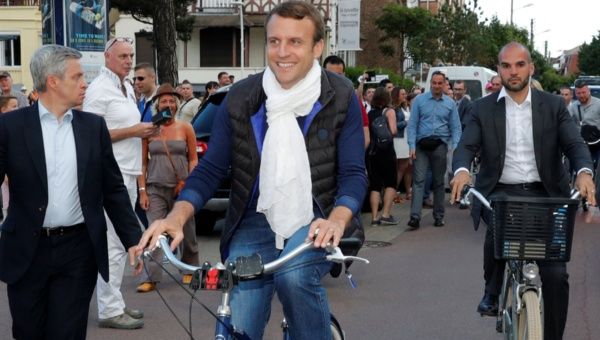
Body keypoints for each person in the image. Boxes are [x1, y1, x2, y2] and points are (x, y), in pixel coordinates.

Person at [136, 2, 367, 339]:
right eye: (274, 41)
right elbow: (211, 168)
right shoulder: (243, 96)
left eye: (295, 42)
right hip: (253, 219)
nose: (282, 52)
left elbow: (353, 174)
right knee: (238, 323)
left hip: (316, 217)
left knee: (294, 277)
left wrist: (338, 218)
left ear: (318, 47)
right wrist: (176, 216)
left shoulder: (341, 94)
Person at [450, 42, 597, 340]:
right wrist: (462, 170)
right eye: (506, 65)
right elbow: (466, 146)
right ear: (499, 69)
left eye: (519, 65)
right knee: (497, 234)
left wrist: (584, 172)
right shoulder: (482, 108)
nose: (513, 71)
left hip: (548, 196)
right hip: (501, 193)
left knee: (556, 275)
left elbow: (575, 145)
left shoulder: (554, 106)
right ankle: (492, 290)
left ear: (531, 68)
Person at [0, 44, 143, 340]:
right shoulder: (10, 127)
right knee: (28, 332)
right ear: (53, 81)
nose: (84, 84)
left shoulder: (93, 127)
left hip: (78, 250)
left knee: (67, 333)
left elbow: (113, 189)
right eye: (77, 76)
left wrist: (133, 240)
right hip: (27, 249)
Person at [84, 37, 158, 329]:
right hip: (109, 176)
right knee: (114, 245)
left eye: (131, 55)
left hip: (124, 173)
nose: (128, 60)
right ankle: (109, 309)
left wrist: (141, 133)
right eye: (123, 56)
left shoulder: (125, 86)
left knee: (118, 244)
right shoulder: (99, 90)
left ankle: (114, 303)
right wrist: (133, 130)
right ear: (107, 58)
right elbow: (90, 134)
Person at [136, 83, 199, 293]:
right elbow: (142, 162)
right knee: (155, 231)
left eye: (172, 101)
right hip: (155, 187)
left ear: (177, 104)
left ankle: (189, 269)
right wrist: (142, 190)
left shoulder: (185, 127)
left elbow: (193, 158)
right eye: (164, 101)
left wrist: (190, 183)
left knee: (187, 231)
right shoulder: (150, 129)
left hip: (182, 188)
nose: (169, 104)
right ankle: (150, 277)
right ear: (157, 104)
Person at [406, 70, 461, 230]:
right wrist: (411, 146)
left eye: (440, 83)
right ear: (430, 83)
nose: (437, 86)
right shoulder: (419, 101)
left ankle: (439, 216)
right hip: (421, 145)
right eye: (434, 83)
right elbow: (412, 125)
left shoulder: (450, 104)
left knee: (438, 182)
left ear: (444, 84)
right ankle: (415, 217)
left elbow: (456, 128)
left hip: (439, 145)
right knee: (419, 181)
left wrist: (456, 146)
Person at [322, 54, 370, 148]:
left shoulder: (352, 100)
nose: (334, 79)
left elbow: (365, 134)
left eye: (338, 75)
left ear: (344, 75)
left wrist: (353, 158)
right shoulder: (313, 99)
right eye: (330, 74)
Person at [367, 87, 398, 225]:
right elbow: (393, 131)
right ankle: (385, 214)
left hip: (373, 152)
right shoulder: (389, 111)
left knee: (375, 185)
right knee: (390, 182)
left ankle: (374, 217)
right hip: (387, 152)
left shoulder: (370, 113)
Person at [570, 80, 600, 167]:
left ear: (588, 91)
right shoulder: (574, 106)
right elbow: (567, 122)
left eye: (584, 92)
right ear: (575, 93)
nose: (581, 95)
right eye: (578, 93)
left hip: (597, 143)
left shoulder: (598, 104)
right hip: (581, 143)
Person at [391, 87, 411, 202]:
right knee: (401, 167)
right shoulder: (394, 108)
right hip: (399, 139)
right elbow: (394, 125)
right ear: (396, 95)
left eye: (405, 93)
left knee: (404, 167)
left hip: (406, 138)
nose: (405, 95)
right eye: (402, 94)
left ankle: (395, 192)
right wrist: (406, 122)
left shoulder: (404, 107)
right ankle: (393, 193)